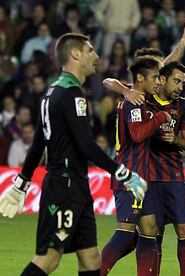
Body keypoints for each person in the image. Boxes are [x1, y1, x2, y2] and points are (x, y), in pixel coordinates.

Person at [0, 33, 146, 275]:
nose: (96, 56)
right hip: (64, 187)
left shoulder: (52, 93)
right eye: (90, 50)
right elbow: (85, 145)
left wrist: (21, 183)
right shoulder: (72, 94)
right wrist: (123, 174)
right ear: (76, 54)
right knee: (49, 258)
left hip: (75, 185)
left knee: (91, 259)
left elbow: (39, 144)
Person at [101, 58, 171, 276]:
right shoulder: (134, 100)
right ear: (140, 78)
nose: (158, 82)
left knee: (150, 229)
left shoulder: (138, 98)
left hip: (143, 175)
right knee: (125, 233)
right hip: (129, 174)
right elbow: (138, 134)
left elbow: (109, 82)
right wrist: (160, 118)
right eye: (154, 77)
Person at [147, 61, 185, 276]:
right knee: (155, 231)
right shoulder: (146, 101)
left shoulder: (182, 106)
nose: (180, 87)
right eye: (176, 81)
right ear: (162, 79)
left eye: (183, 83)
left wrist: (175, 139)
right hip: (149, 176)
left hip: (175, 176)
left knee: (184, 229)